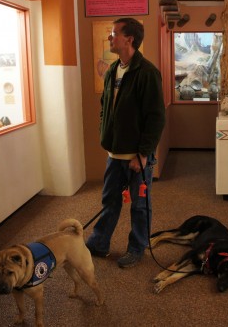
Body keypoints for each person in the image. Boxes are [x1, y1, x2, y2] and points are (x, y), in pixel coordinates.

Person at [86, 18, 166, 268]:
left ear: (129, 39)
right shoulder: (112, 71)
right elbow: (105, 107)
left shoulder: (148, 73)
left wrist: (142, 154)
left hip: (137, 158)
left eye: (114, 34)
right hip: (115, 154)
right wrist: (104, 131)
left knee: (140, 206)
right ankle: (98, 243)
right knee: (109, 201)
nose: (110, 38)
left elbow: (156, 117)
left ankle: (136, 248)